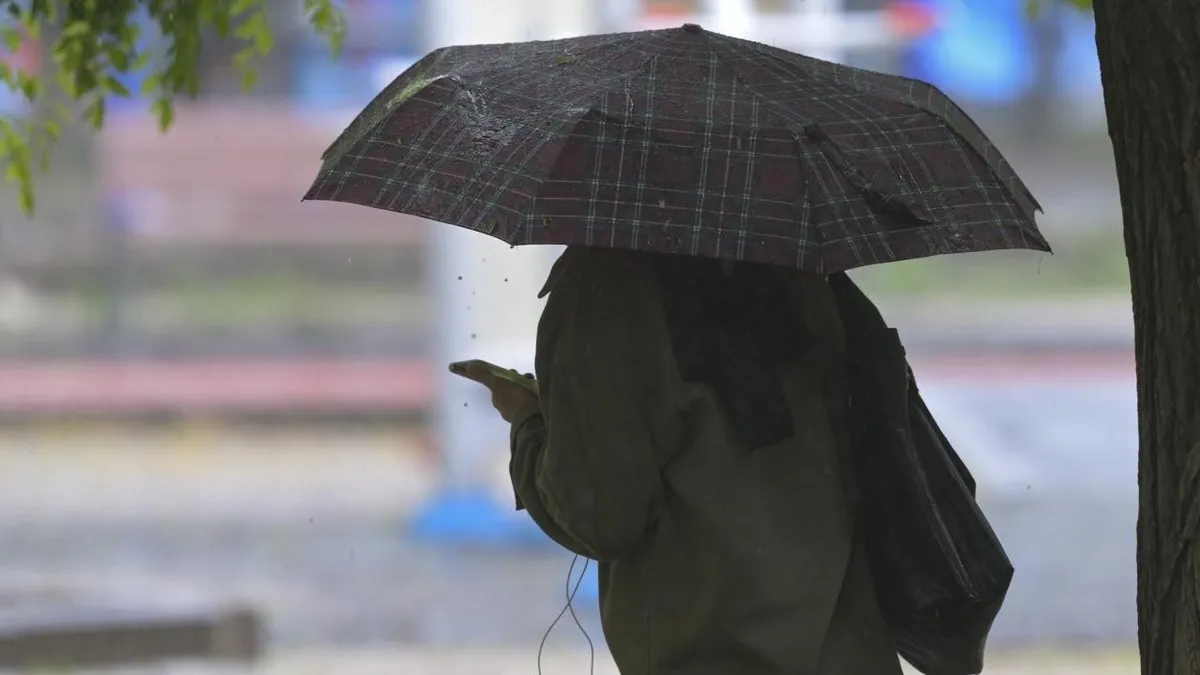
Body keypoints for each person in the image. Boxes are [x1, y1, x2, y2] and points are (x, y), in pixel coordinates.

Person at [464, 246, 902, 675]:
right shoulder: (797, 258)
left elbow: (599, 515)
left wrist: (528, 420)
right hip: (849, 646)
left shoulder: (603, 288)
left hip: (715, 651)